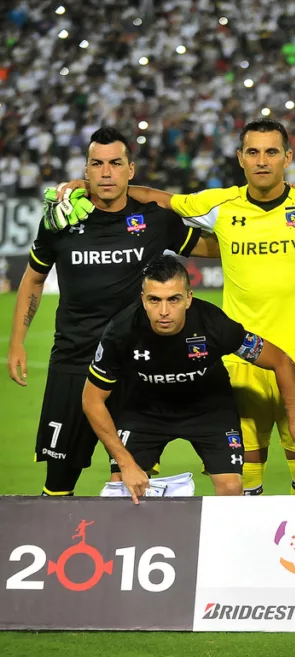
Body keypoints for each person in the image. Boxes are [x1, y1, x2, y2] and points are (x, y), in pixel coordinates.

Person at [50, 118, 295, 496]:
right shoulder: (220, 205)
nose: (262, 161)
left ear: (287, 157)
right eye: (253, 152)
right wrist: (90, 187)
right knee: (244, 488)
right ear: (240, 158)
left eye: (271, 152)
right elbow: (162, 200)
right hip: (242, 364)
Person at [7, 126, 214, 497]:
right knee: (58, 484)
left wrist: (266, 212)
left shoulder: (155, 220)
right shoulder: (62, 220)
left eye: (115, 164)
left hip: (135, 366)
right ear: (85, 171)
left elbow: (213, 249)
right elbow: (33, 279)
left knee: (130, 482)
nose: (106, 172)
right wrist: (17, 343)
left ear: (130, 170)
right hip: (72, 361)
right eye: (97, 164)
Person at [83, 256, 295, 503]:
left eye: (174, 299)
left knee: (232, 488)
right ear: (143, 299)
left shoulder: (213, 324)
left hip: (208, 409)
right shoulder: (121, 330)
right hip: (145, 410)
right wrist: (125, 463)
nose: (164, 311)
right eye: (154, 300)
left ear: (188, 298)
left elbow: (280, 361)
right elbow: (92, 400)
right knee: (121, 487)